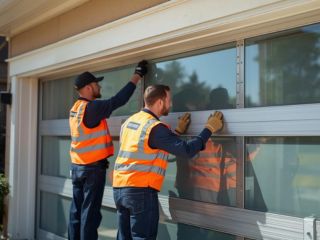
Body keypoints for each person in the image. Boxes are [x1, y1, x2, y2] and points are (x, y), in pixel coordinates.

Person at [112, 84, 224, 240]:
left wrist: (176, 133)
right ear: (159, 102)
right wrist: (208, 129)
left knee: (124, 237)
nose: (170, 104)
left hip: (120, 190)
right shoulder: (155, 127)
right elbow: (186, 150)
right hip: (140, 192)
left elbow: (152, 150)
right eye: (168, 100)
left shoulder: (130, 121)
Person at [68, 60, 148, 240]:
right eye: (96, 84)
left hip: (77, 167)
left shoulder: (75, 109)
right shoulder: (92, 107)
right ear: (88, 88)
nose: (99, 86)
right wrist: (137, 75)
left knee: (76, 212)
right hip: (92, 170)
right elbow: (119, 100)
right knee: (90, 215)